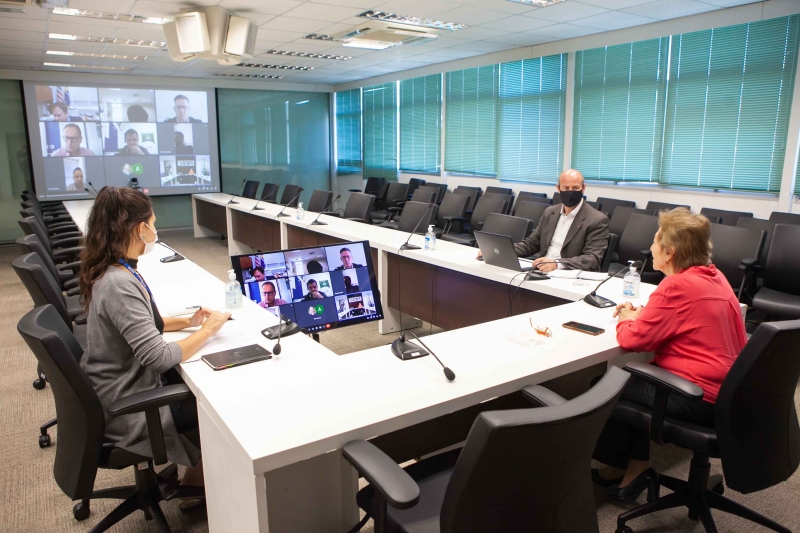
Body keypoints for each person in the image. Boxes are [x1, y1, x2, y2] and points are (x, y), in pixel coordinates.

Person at [78, 186, 231, 506]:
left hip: (114, 388)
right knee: (221, 402)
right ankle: (200, 487)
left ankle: (196, 473)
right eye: (153, 223)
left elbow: (146, 325)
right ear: (140, 229)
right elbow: (159, 357)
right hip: (129, 406)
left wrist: (186, 323)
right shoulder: (119, 283)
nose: (155, 230)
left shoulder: (113, 268)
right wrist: (209, 330)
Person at [592, 208, 747, 500]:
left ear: (670, 252)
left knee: (607, 385)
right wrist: (646, 314)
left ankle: (633, 467)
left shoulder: (676, 285)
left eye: (655, 241)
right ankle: (628, 466)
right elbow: (684, 319)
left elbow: (632, 340)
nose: (651, 248)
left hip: (698, 396)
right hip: (730, 393)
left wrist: (627, 316)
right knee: (624, 381)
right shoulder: (714, 277)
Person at [476, 169, 608, 271]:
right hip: (542, 271)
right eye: (566, 188)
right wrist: (497, 249)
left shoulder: (597, 220)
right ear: (558, 188)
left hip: (569, 275)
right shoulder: (550, 212)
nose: (570, 192)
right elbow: (531, 244)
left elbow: (592, 259)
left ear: (583, 188)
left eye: (575, 188)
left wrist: (556, 264)